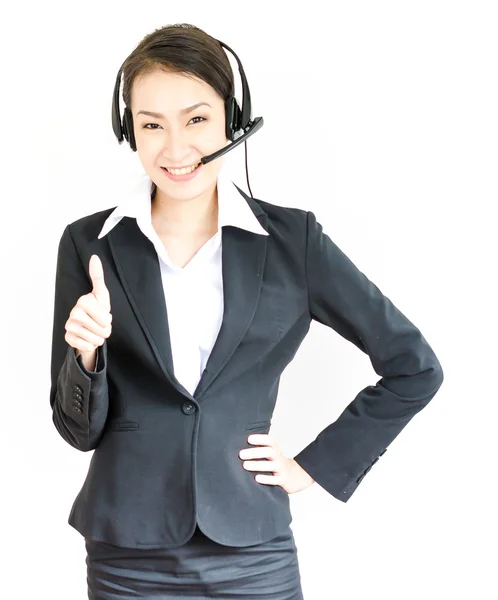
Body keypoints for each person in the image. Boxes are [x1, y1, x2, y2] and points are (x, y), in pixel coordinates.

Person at [49, 23, 444, 600]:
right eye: (151, 125)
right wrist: (85, 357)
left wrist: (315, 465)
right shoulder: (90, 245)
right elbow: (76, 431)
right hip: (126, 553)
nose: (175, 147)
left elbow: (415, 367)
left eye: (197, 119)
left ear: (234, 121)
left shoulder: (293, 242)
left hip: (252, 550)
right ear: (128, 130)